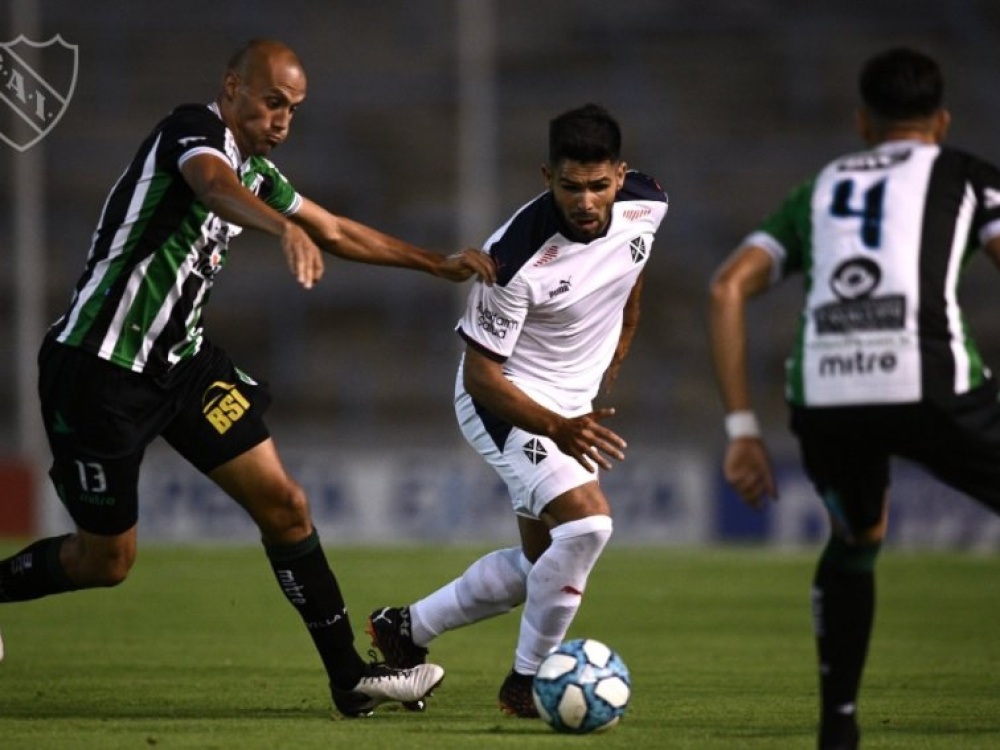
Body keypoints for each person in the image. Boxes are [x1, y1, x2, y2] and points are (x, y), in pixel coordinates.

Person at [0, 38, 497, 719]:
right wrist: (280, 230)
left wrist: (432, 263)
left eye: (293, 108)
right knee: (106, 562)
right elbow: (212, 186)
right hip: (99, 369)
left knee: (285, 505)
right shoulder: (192, 130)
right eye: (272, 102)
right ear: (232, 88)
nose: (283, 120)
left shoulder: (260, 176)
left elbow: (334, 229)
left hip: (182, 365)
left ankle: (350, 678)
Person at [708, 47, 1000, 750]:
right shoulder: (967, 175)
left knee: (857, 537)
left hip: (829, 395)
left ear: (863, 121)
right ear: (943, 121)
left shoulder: (819, 187)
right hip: (929, 381)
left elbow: (727, 287)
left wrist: (743, 428)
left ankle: (837, 725)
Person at [366, 103, 668, 716]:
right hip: (505, 401)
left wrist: (623, 339)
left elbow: (630, 267)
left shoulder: (649, 203)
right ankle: (527, 683)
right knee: (588, 527)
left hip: (571, 405)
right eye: (570, 187)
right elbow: (481, 377)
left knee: (542, 562)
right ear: (545, 177)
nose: (586, 202)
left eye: (599, 186)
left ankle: (406, 628)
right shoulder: (514, 258)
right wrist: (558, 426)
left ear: (622, 174)